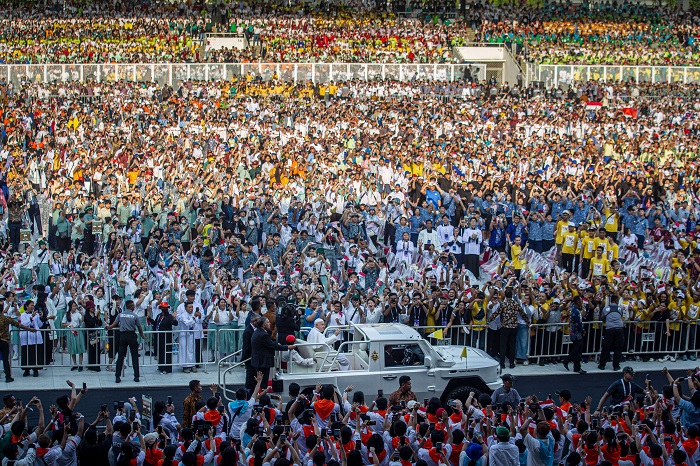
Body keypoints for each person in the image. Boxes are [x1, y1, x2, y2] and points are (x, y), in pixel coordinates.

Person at [105, 299, 146, 383]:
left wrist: (108, 327)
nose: (134, 307)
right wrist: (142, 336)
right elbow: (139, 327)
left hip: (123, 336)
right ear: (130, 307)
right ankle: (136, 376)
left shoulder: (121, 315)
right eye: (133, 306)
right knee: (134, 356)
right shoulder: (135, 316)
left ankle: (117, 376)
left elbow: (114, 325)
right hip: (132, 335)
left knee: (120, 357)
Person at [0, 296, 37, 382]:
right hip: (4, 341)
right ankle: (8, 377)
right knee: (6, 360)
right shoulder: (6, 318)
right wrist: (30, 329)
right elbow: (19, 325)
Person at [250, 316, 295, 386]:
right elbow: (273, 346)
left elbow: (270, 343)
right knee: (263, 383)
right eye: (268, 322)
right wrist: (287, 347)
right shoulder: (263, 335)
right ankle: (261, 395)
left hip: (258, 361)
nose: (270, 324)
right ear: (263, 325)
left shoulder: (258, 332)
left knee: (260, 382)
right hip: (262, 363)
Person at [599, 294, 625, 371]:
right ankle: (616, 366)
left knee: (606, 347)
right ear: (617, 301)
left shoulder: (606, 308)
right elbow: (621, 316)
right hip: (619, 329)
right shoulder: (620, 309)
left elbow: (602, 318)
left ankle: (602, 365)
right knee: (618, 348)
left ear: (610, 301)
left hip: (609, 329)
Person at [19, 300, 44, 378]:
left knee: (35, 353)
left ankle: (35, 369)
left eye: (33, 305)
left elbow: (39, 325)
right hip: (27, 337)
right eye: (31, 305)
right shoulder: (23, 315)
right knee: (27, 353)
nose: (32, 307)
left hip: (35, 337)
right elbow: (24, 324)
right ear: (27, 306)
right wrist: (31, 317)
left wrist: (40, 317)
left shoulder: (36, 315)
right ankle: (27, 370)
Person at [563, 296, 586, 375]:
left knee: (577, 350)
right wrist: (582, 330)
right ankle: (568, 360)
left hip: (574, 332)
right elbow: (577, 323)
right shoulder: (575, 311)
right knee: (577, 349)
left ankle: (576, 366)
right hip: (576, 333)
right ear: (578, 302)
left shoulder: (574, 309)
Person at [153, 302, 178, 374]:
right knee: (160, 351)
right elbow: (155, 324)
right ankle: (160, 366)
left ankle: (167, 368)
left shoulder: (169, 316)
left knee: (166, 352)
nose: (164, 309)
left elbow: (175, 323)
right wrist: (149, 318)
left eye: (166, 308)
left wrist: (174, 318)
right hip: (159, 336)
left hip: (167, 337)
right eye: (163, 308)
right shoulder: (159, 316)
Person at [83, 300, 103, 372]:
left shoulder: (94, 314)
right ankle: (91, 365)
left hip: (95, 334)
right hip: (90, 334)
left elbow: (100, 323)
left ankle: (97, 365)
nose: (92, 308)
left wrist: (98, 316)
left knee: (97, 350)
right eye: (91, 307)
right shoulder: (86, 316)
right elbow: (90, 323)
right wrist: (95, 316)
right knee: (91, 351)